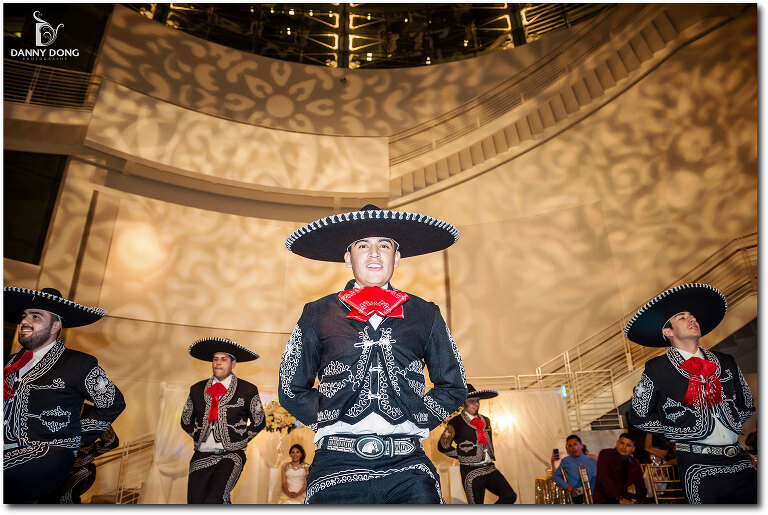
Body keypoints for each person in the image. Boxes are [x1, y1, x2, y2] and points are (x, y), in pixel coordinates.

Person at [278, 204, 467, 504]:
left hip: (409, 466)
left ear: (397, 257)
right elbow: (291, 388)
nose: (375, 253)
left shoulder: (425, 313)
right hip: (335, 464)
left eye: (384, 246)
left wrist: (420, 417)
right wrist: (328, 415)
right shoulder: (317, 313)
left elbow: (453, 385)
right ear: (348, 258)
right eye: (363, 245)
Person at [625, 283, 757, 504]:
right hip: (698, 466)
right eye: (682, 317)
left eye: (693, 316)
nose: (692, 319)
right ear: (668, 332)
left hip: (740, 462)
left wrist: (730, 426)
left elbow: (746, 405)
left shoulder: (726, 361)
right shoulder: (657, 368)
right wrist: (677, 430)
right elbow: (639, 415)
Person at [3, 286, 126, 504]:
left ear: (55, 326)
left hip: (51, 453)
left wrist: (75, 436)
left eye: (36, 316)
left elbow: (113, 403)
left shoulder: (79, 364)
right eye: (24, 315)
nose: (25, 321)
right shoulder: (8, 363)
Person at [181, 337, 266, 504]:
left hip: (231, 456)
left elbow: (259, 422)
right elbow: (185, 420)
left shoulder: (248, 389)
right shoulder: (197, 389)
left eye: (223, 359)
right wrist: (199, 435)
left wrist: (239, 440)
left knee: (216, 499)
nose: (218, 363)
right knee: (195, 502)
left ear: (233, 363)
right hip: (201, 456)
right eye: (215, 359)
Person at [438, 384, 517, 504]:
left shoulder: (486, 420)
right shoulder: (456, 422)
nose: (476, 404)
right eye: (472, 401)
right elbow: (443, 446)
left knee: (509, 496)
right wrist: (461, 454)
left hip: (490, 468)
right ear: (463, 403)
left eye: (478, 401)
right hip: (471, 472)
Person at [38, 403, 120, 504]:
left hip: (76, 471)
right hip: (53, 471)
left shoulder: (93, 415)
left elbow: (111, 441)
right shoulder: (49, 410)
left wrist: (88, 454)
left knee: (65, 499)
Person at [593, 432, 647, 504]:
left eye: (628, 445)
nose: (624, 447)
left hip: (623, 497)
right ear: (617, 443)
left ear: (633, 449)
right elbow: (604, 478)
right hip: (604, 498)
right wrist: (619, 499)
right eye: (622, 443)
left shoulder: (635, 462)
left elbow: (641, 487)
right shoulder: (605, 454)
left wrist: (634, 501)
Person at [551, 434, 597, 503]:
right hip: (578, 495)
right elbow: (555, 476)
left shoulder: (592, 460)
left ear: (581, 446)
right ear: (568, 449)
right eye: (570, 446)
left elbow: (597, 478)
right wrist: (567, 486)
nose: (573, 447)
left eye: (575, 444)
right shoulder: (566, 461)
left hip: (593, 494)